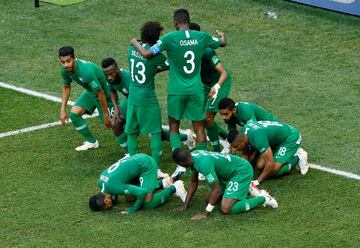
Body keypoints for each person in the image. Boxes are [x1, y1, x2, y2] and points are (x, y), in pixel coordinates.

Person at [131, 8, 226, 178]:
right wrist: (222, 34)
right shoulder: (201, 36)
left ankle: (180, 165)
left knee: (174, 126)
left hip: (176, 91)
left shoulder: (170, 38)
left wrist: (134, 43)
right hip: (196, 90)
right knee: (199, 128)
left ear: (176, 23)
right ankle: (202, 166)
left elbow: (146, 53)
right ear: (189, 22)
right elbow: (222, 42)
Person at [171, 148, 278, 220]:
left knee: (226, 208)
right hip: (228, 174)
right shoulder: (193, 156)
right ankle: (245, 189)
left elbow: (217, 190)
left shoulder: (203, 164)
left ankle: (263, 198)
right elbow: (194, 182)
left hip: (241, 171)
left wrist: (206, 213)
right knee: (209, 199)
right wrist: (185, 205)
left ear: (180, 163)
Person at [89, 153, 187, 214]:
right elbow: (114, 183)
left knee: (148, 203)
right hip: (137, 159)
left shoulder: (114, 188)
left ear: (106, 201)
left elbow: (142, 192)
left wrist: (132, 209)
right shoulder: (100, 183)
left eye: (106, 207)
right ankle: (164, 183)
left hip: (146, 165)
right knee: (130, 198)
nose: (109, 207)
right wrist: (114, 198)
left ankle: (175, 187)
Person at [59, 46, 112, 151]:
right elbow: (66, 87)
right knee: (74, 115)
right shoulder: (65, 71)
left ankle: (132, 151)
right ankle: (92, 142)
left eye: (68, 61)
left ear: (74, 58)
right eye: (62, 62)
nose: (66, 65)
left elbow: (100, 93)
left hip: (105, 93)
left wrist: (106, 115)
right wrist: (62, 109)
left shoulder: (86, 71)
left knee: (114, 125)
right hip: (91, 92)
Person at [189, 22, 232, 153]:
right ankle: (227, 138)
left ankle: (216, 150)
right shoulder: (186, 48)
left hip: (219, 83)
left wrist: (217, 86)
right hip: (205, 85)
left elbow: (223, 73)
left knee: (208, 118)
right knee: (198, 116)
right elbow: (222, 43)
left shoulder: (206, 51)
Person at [227, 121, 309, 186]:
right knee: (260, 165)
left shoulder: (258, 139)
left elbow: (270, 163)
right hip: (276, 139)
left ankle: (299, 156)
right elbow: (245, 155)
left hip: (290, 138)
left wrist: (258, 181)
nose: (235, 149)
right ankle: (278, 151)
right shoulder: (243, 133)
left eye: (236, 146)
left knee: (273, 171)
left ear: (242, 141)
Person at [101, 57, 131, 154]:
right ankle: (129, 153)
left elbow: (140, 97)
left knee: (160, 134)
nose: (109, 77)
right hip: (129, 101)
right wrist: (116, 108)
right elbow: (112, 91)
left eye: (111, 73)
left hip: (142, 104)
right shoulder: (109, 79)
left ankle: (177, 138)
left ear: (117, 69)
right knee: (115, 123)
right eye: (106, 75)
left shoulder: (128, 78)